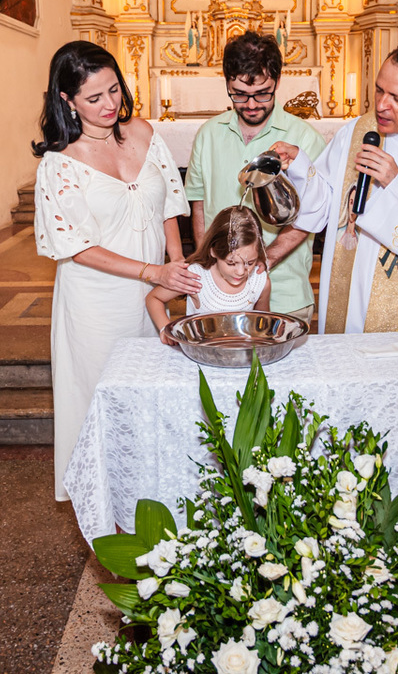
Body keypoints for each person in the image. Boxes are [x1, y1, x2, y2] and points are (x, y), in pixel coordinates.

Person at [33, 41, 196, 500]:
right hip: (96, 302)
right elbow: (76, 248)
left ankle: (158, 497)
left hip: (153, 291)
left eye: (114, 90)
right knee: (102, 401)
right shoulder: (59, 163)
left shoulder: (143, 132)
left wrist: (175, 261)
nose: (110, 105)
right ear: (66, 100)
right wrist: (153, 272)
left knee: (154, 395)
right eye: (94, 98)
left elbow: (168, 203)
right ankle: (111, 511)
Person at [272, 41, 398, 334]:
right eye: (379, 90)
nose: (381, 105)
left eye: (397, 98)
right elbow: (326, 204)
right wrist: (301, 165)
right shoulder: (354, 132)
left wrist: (396, 183)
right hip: (350, 288)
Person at [185, 31, 324, 323]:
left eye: (263, 93)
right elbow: (199, 203)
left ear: (277, 82)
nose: (251, 105)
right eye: (240, 94)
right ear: (226, 84)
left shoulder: (304, 139)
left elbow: (314, 212)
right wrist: (207, 267)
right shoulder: (208, 135)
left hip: (284, 294)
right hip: (216, 296)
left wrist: (266, 259)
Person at [147, 205, 271, 341]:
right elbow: (154, 299)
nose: (241, 272)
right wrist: (165, 329)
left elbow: (263, 324)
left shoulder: (260, 281)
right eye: (231, 263)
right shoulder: (196, 276)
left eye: (250, 262)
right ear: (213, 251)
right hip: (201, 355)